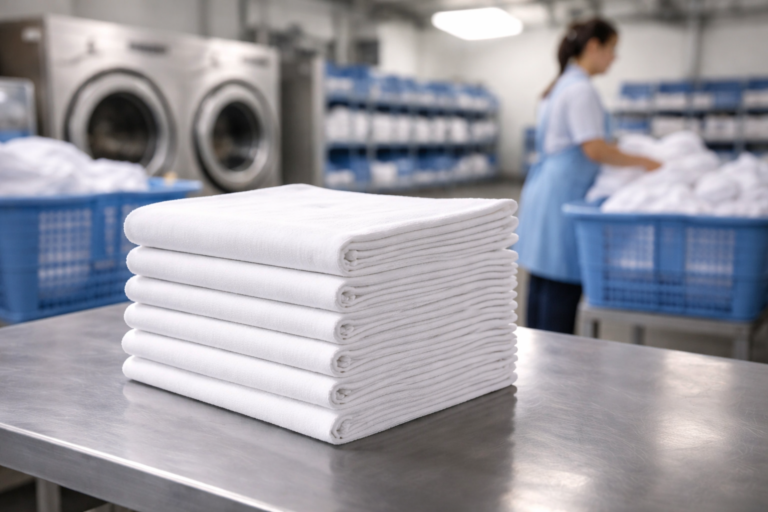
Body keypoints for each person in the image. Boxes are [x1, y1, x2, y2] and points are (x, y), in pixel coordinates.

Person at [516, 18, 661, 334]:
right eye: (612, 49)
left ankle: (536, 366)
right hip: (565, 196)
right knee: (561, 282)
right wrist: (646, 162)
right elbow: (594, 149)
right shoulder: (581, 90)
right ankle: (553, 370)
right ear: (594, 46)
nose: (614, 57)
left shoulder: (559, 86)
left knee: (542, 280)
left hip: (547, 189)